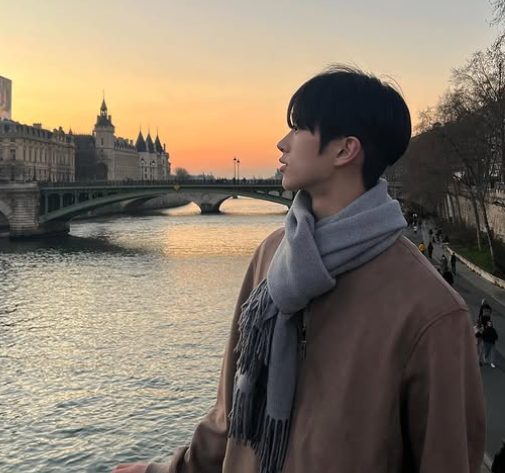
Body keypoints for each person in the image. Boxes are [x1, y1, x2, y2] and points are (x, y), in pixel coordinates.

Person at [111, 66, 485, 473]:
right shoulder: (271, 255)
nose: (282, 143)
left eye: (299, 128)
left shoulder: (432, 311)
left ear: (345, 150)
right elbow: (231, 418)